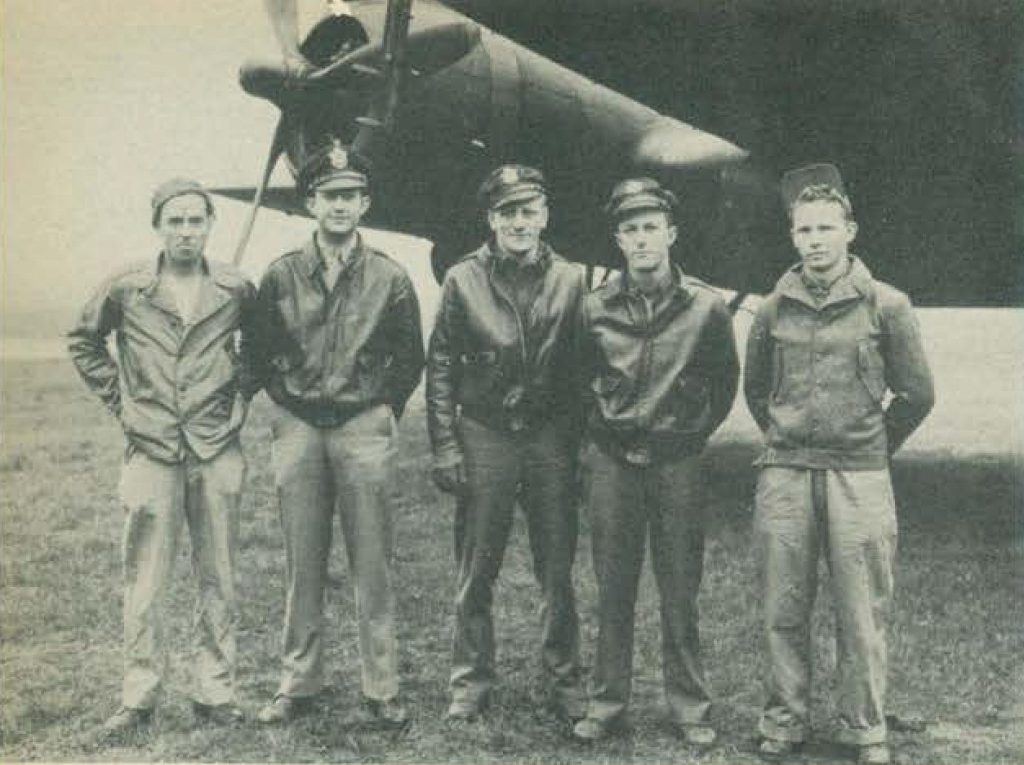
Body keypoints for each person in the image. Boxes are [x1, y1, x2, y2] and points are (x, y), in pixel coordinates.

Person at [744, 164, 935, 764]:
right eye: (804, 230)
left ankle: (864, 728)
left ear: (851, 230)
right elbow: (757, 392)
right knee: (783, 604)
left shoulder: (888, 305)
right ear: (792, 236)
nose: (815, 240)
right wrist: (787, 439)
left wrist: (872, 442)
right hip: (787, 472)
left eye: (827, 228)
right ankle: (783, 722)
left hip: (860, 474)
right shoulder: (773, 307)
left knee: (861, 609)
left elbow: (917, 393)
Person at [68, 178, 257, 737]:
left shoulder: (236, 286)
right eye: (174, 221)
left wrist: (241, 396)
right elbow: (83, 340)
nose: (185, 232)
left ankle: (216, 692)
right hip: (150, 449)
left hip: (215, 446)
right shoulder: (127, 287)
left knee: (219, 573)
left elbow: (262, 349)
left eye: (195, 221)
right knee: (145, 578)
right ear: (157, 226)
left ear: (209, 226)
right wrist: (122, 404)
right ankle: (139, 696)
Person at [252, 140, 424, 727]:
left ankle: (382, 687)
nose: (340, 206)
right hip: (298, 425)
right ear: (310, 203)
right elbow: (258, 350)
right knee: (303, 559)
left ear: (366, 203)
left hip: (361, 426)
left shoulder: (390, 277)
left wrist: (377, 411)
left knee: (371, 558)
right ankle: (298, 682)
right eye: (329, 196)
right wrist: (287, 403)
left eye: (351, 196)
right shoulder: (280, 275)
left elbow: (409, 358)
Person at [570, 177, 739, 745]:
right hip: (613, 461)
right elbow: (577, 382)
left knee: (679, 587)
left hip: (678, 463)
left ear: (671, 233)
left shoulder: (706, 308)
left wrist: (687, 433)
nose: (642, 240)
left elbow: (723, 384)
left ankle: (690, 706)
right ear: (618, 240)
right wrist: (603, 435)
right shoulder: (594, 309)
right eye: (630, 230)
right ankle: (606, 702)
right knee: (613, 585)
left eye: (651, 228)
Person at [426, 164, 588, 722]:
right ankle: (470, 681)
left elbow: (583, 365)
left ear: (544, 215)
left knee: (557, 566)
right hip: (486, 432)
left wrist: (580, 448)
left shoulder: (571, 279)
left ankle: (564, 679)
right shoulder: (462, 278)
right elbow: (441, 363)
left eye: (529, 211)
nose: (519, 223)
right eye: (507, 212)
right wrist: (446, 444)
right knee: (477, 565)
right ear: (490, 218)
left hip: (549, 436)